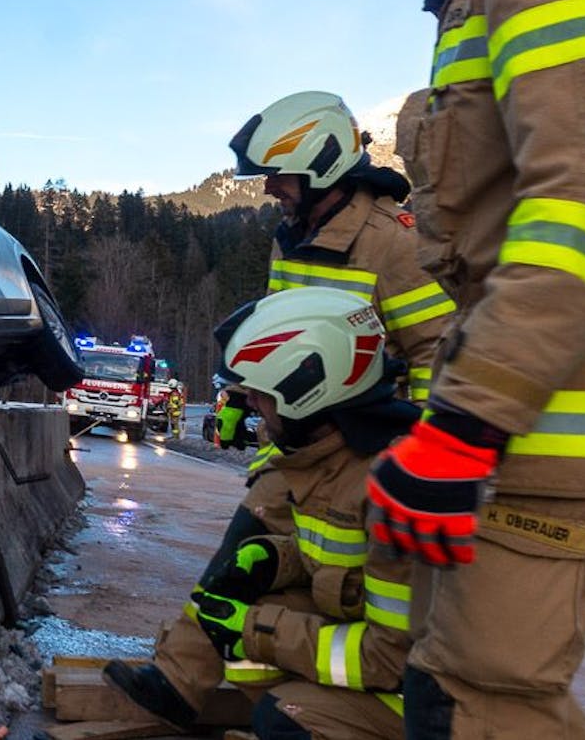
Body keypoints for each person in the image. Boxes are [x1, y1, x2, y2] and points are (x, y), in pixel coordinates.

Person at [312, 0, 585, 736]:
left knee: (483, 706)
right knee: (451, 689)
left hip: (545, 408)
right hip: (520, 408)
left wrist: (467, 424)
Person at [103, 90, 457, 734]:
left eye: (279, 174)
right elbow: (273, 332)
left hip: (357, 450)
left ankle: (256, 688)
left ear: (320, 163)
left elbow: (438, 352)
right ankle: (187, 680)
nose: (269, 189)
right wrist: (240, 398)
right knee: (245, 560)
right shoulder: (291, 238)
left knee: (295, 569)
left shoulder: (392, 246)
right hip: (294, 435)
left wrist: (428, 453)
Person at [112, 287, 419, 739]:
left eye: (261, 393)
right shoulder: (333, 462)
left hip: (424, 701)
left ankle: (310, 717)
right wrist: (279, 558)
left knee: (281, 715)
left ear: (307, 390)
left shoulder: (391, 488)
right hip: (390, 668)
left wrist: (256, 629)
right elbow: (344, 565)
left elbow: (390, 657)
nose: (250, 402)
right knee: (242, 606)